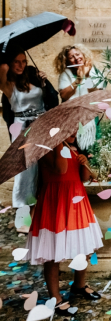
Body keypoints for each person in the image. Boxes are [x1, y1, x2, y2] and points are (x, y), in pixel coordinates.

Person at [26, 131, 103, 316]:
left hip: (76, 200)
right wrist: (58, 142)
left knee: (83, 247)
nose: (73, 133)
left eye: (74, 129)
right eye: (67, 129)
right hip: (56, 202)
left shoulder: (75, 149)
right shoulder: (44, 149)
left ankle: (79, 285)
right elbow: (60, 169)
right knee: (52, 252)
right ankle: (56, 297)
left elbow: (84, 177)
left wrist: (84, 163)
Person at [0, 50, 59, 211]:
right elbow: (2, 68)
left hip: (41, 123)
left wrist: (44, 82)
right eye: (16, 62)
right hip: (22, 126)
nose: (21, 65)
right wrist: (6, 53)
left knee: (45, 164)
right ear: (10, 64)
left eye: (23, 61)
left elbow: (50, 98)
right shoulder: (8, 85)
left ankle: (43, 206)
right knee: (25, 168)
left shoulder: (32, 77)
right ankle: (23, 211)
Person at [54, 44, 102, 149]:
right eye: (71, 57)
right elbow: (64, 95)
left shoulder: (94, 71)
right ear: (66, 62)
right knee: (76, 149)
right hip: (72, 118)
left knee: (92, 149)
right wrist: (78, 80)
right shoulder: (65, 74)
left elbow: (97, 94)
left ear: (83, 54)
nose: (76, 58)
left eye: (77, 54)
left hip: (90, 116)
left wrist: (88, 75)